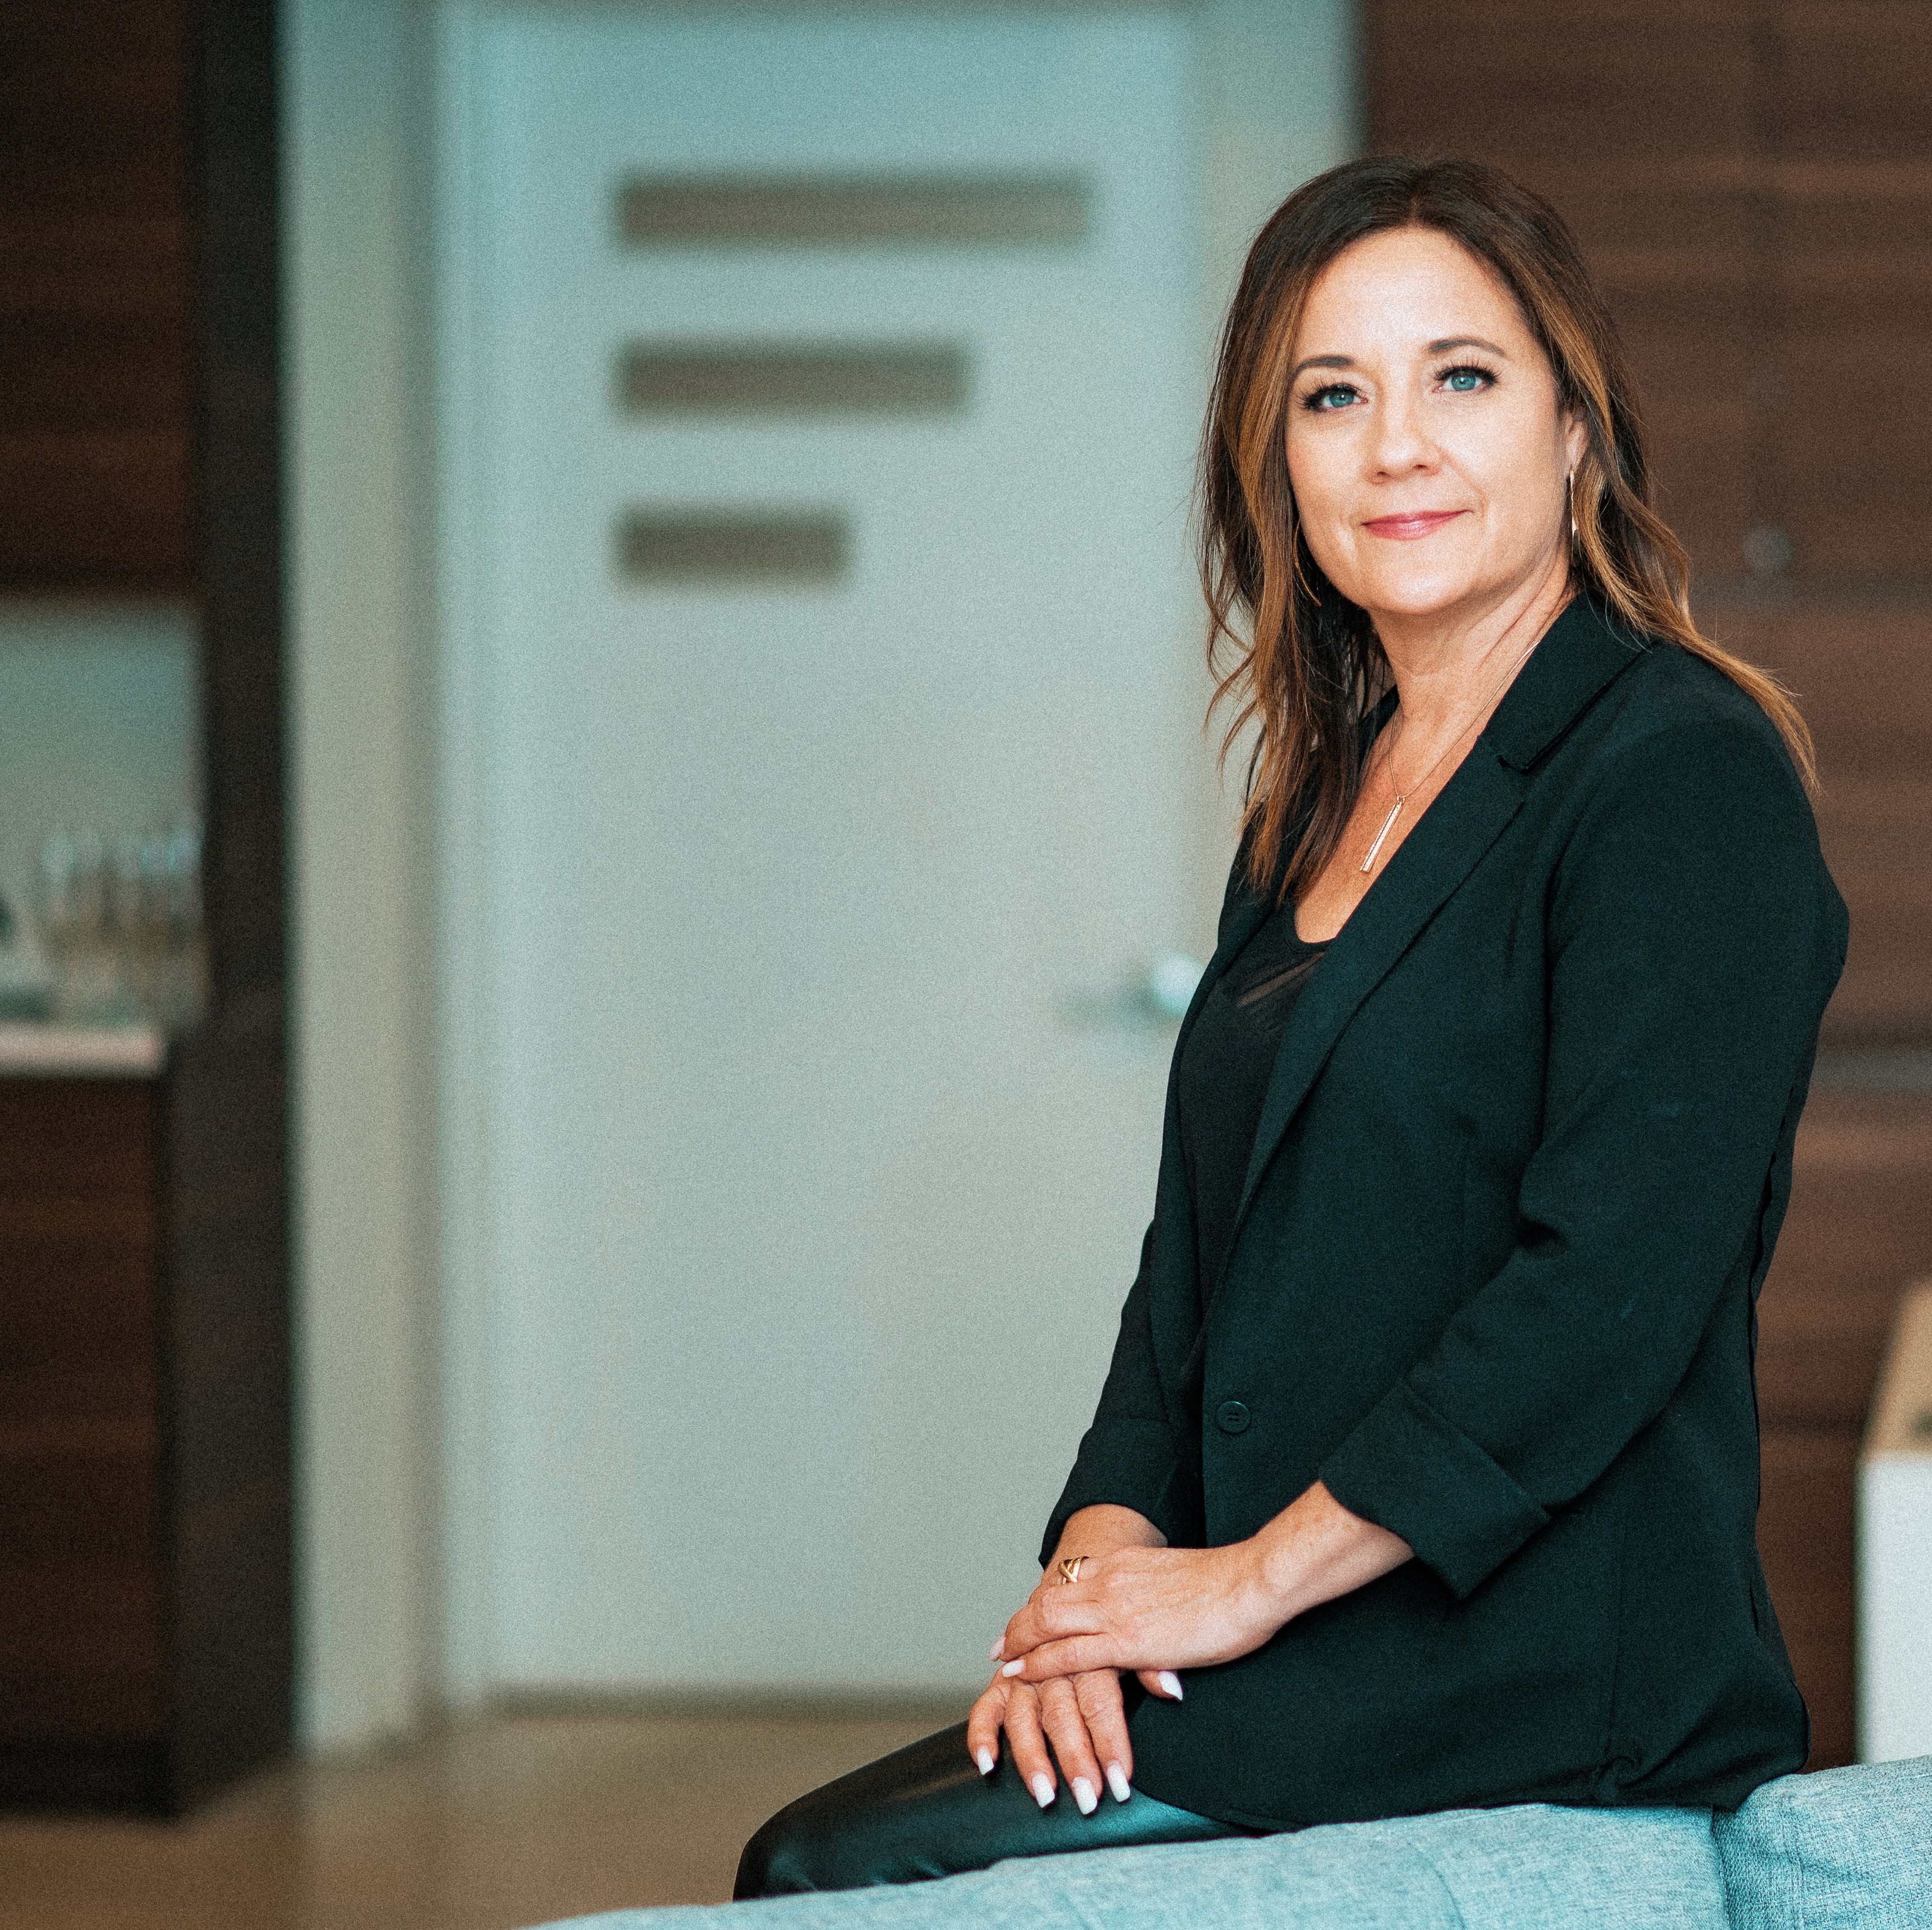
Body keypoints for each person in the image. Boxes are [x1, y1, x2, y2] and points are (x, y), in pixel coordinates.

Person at [735, 154, 1846, 1898]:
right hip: (1295, 1644)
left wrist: (1242, 1579)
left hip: (1526, 1670)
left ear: (1573, 432)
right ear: (1282, 463)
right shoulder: (1313, 803)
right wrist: (1100, 1578)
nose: (1395, 443)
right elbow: (1195, 1273)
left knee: (833, 1872)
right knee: (830, 1852)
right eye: (1334, 396)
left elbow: (1604, 1288)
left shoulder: (1677, 774)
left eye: (1459, 378)